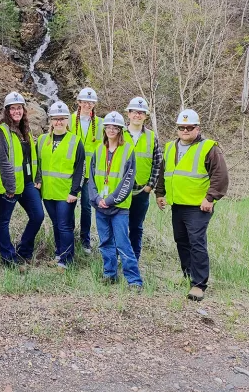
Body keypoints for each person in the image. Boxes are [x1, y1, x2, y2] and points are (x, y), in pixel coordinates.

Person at [155, 109, 229, 302]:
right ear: (177, 129)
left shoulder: (209, 148)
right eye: (181, 127)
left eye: (189, 127)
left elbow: (220, 175)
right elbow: (164, 172)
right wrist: (160, 193)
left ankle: (198, 284)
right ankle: (188, 276)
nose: (185, 130)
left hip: (198, 206)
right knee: (182, 241)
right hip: (177, 204)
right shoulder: (170, 147)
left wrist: (211, 198)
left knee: (197, 243)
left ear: (197, 128)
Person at [89, 111, 143, 289]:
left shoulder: (128, 150)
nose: (111, 130)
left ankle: (134, 280)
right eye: (108, 127)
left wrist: (111, 199)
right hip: (100, 206)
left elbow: (128, 180)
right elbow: (91, 177)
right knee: (105, 242)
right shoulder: (98, 150)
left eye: (115, 127)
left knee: (122, 243)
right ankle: (109, 274)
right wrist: (96, 198)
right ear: (104, 129)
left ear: (120, 130)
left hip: (119, 207)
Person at [0, 92, 44, 267]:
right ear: (7, 111)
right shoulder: (1, 131)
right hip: (10, 186)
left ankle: (23, 251)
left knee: (38, 216)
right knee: (3, 221)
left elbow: (32, 158)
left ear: (24, 110)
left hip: (27, 183)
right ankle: (8, 257)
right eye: (13, 108)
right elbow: (2, 160)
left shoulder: (26, 131)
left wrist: (37, 178)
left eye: (19, 108)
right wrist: (10, 187)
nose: (17, 111)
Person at [37, 101, 85, 269]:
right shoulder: (43, 140)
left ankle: (66, 260)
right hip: (48, 192)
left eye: (62, 119)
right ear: (50, 120)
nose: (58, 122)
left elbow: (80, 168)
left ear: (67, 121)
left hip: (66, 193)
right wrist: (38, 181)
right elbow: (38, 164)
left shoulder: (75, 141)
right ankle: (59, 254)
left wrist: (75, 191)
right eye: (55, 119)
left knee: (65, 225)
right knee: (56, 223)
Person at [124, 97, 162, 261]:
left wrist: (150, 185)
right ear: (129, 114)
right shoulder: (119, 133)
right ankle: (120, 256)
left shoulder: (151, 137)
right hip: (120, 190)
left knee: (136, 227)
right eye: (134, 112)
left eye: (141, 113)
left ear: (145, 116)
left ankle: (134, 258)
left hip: (141, 191)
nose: (137, 115)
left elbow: (158, 162)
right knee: (119, 226)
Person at [70, 87, 104, 254]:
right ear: (79, 103)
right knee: (68, 205)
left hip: (90, 172)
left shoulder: (101, 123)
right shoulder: (69, 120)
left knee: (86, 207)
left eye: (91, 102)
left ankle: (85, 241)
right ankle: (68, 238)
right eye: (85, 101)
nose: (88, 105)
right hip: (71, 171)